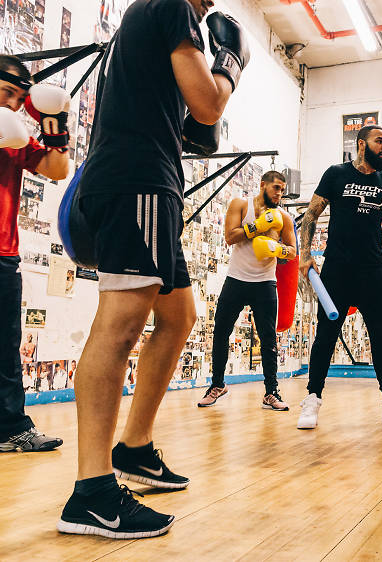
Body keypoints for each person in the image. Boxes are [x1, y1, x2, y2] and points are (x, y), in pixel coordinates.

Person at [57, 0, 249, 539]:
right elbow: (209, 106)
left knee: (179, 315)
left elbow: (191, 124)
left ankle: (134, 446)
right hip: (136, 182)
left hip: (147, 183)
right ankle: (91, 493)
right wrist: (230, 62)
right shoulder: (170, 5)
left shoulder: (151, 18)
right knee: (120, 325)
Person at [297, 125, 382, 430]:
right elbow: (311, 215)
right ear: (361, 144)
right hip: (337, 271)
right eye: (379, 141)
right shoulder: (336, 174)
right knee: (326, 337)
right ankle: (312, 400)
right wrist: (305, 254)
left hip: (372, 271)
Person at [0, 54, 68, 453]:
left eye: (18, 98)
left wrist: (51, 121)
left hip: (5, 255)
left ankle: (11, 429)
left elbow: (57, 169)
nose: (11, 105)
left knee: (6, 348)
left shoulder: (13, 134)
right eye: (6, 93)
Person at [198, 171, 297, 410]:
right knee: (221, 331)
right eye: (276, 188)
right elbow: (230, 237)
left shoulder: (283, 216)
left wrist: (277, 249)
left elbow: (293, 251)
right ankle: (217, 385)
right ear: (262, 185)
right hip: (236, 279)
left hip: (265, 282)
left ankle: (271, 392)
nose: (279, 193)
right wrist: (257, 227)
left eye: (282, 190)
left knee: (268, 339)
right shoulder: (240, 205)